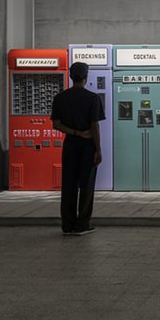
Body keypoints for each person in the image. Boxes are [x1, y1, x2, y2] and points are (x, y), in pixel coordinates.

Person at [51, 61, 105, 236]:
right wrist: (98, 149)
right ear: (86, 77)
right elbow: (94, 126)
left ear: (71, 76)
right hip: (88, 146)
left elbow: (57, 124)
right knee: (87, 185)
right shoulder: (92, 98)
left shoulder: (60, 98)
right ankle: (83, 224)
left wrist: (74, 132)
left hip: (70, 145)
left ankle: (67, 224)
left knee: (69, 184)